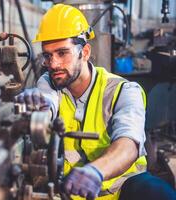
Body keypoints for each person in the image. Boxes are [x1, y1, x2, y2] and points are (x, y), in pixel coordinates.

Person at [16, 4, 176, 200]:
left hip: (120, 190)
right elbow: (46, 100)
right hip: (69, 193)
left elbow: (129, 143)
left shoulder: (123, 91)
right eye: (48, 55)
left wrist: (96, 171)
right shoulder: (50, 83)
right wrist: (36, 108)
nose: (53, 64)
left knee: (158, 193)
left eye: (62, 53)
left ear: (84, 52)